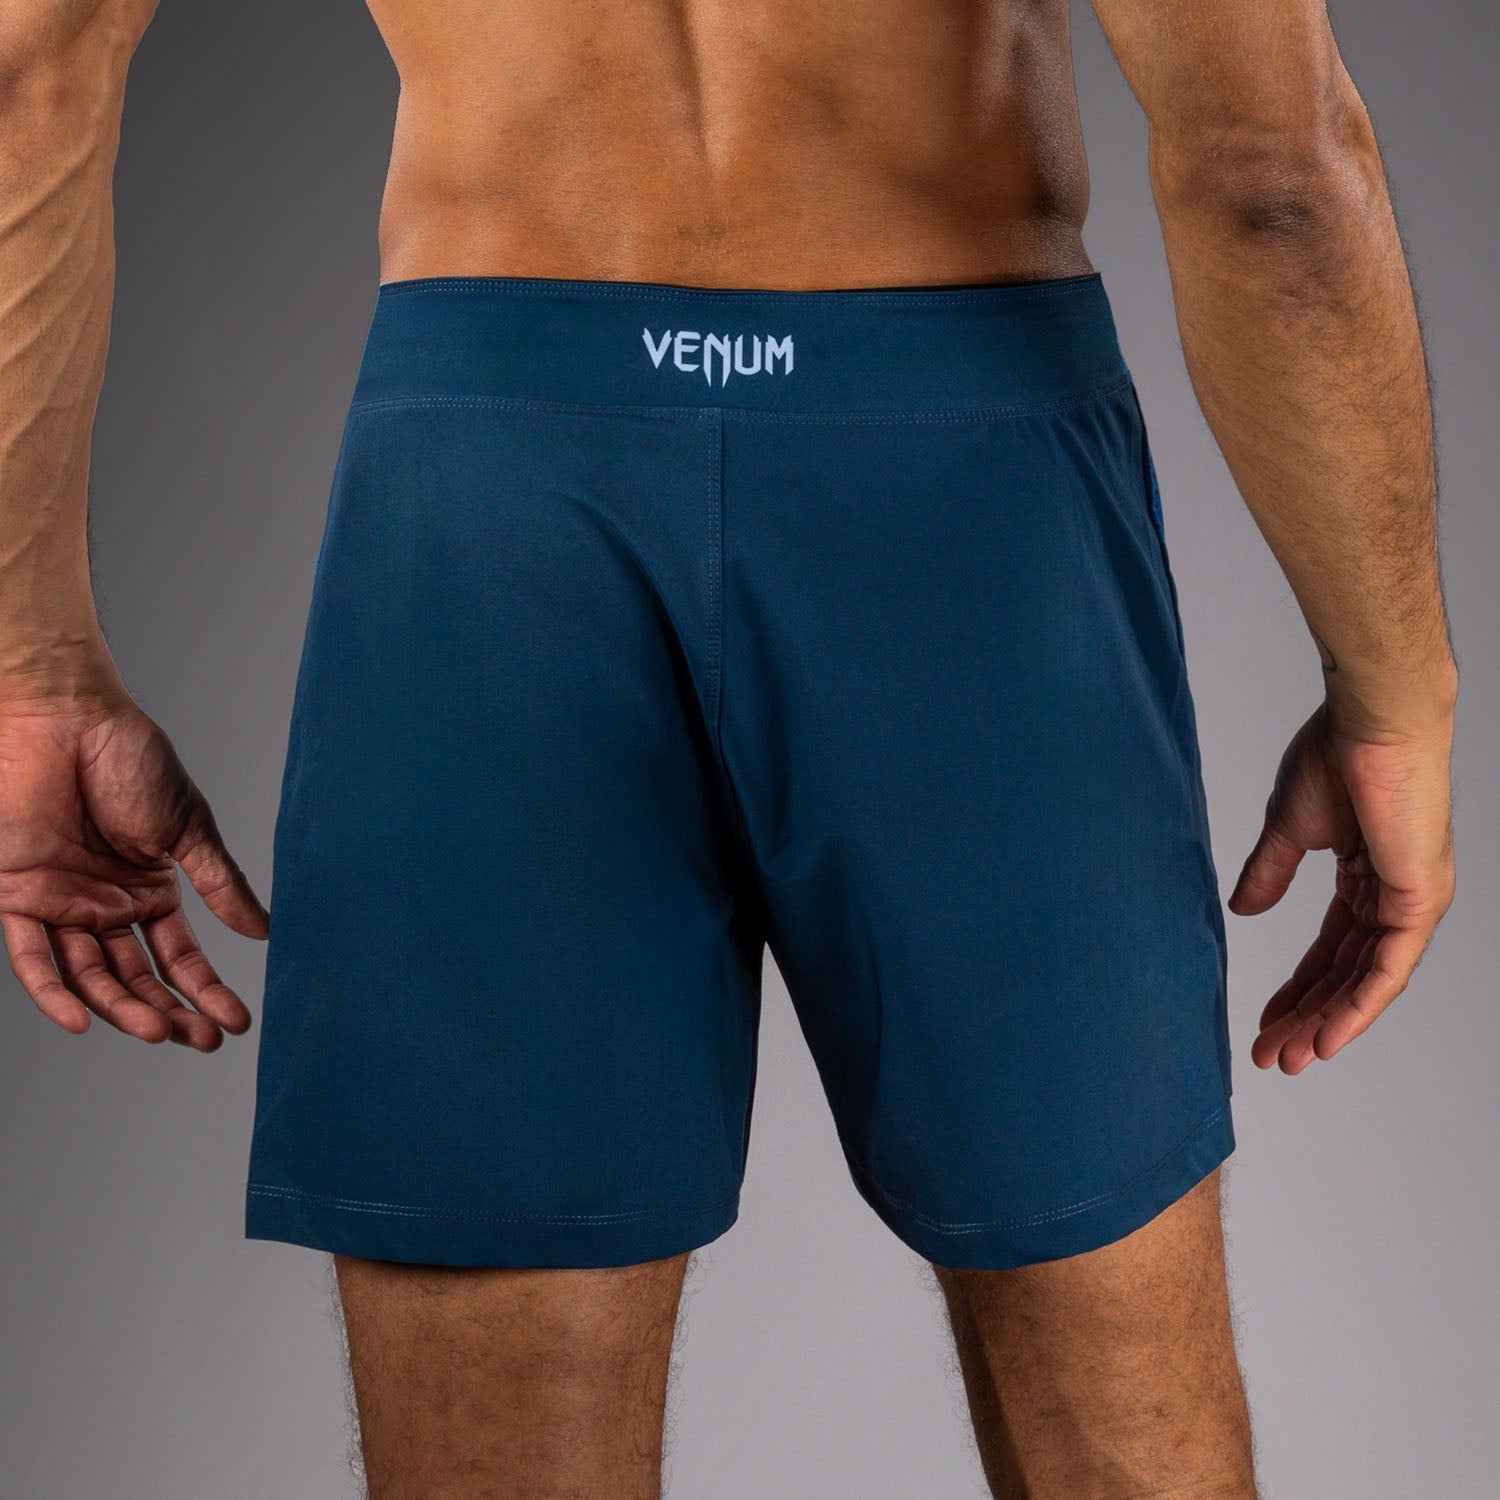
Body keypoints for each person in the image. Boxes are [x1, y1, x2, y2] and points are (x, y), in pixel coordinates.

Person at [0, 0, 1458, 1494]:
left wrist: (31, 666)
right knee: (1125, 1438)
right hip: (960, 492)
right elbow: (1268, 172)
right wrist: (1393, 690)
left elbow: (27, 68)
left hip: (495, 494)